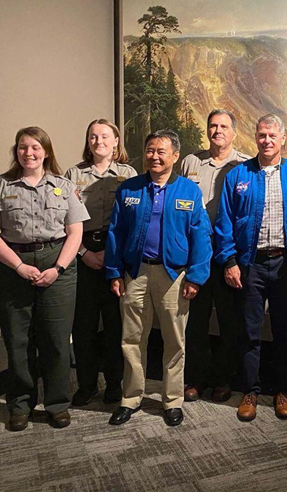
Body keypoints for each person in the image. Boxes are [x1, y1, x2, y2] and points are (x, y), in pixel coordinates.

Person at [105, 129, 212, 427]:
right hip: (135, 273)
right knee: (131, 339)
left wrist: (196, 277)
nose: (154, 156)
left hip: (174, 276)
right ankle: (130, 398)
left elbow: (201, 235)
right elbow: (116, 233)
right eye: (150, 150)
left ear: (175, 156)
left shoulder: (189, 192)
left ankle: (171, 400)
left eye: (161, 151)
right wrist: (114, 272)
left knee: (175, 341)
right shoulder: (129, 190)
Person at [214, 113, 287, 422]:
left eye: (272, 135)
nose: (267, 140)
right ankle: (251, 391)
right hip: (250, 265)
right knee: (250, 331)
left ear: (282, 139)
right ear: (255, 138)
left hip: (285, 263)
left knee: (284, 329)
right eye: (261, 135)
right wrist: (229, 261)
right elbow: (224, 222)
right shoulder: (238, 176)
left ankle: (282, 390)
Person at [0, 127, 89, 431]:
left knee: (55, 339)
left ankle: (57, 403)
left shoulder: (64, 187)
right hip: (14, 266)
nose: (29, 153)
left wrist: (59, 268)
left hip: (57, 264)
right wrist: (18, 266)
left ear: (46, 151)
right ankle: (21, 404)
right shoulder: (2, 185)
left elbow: (75, 232)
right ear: (17, 151)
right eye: (23, 147)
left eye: (35, 147)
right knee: (17, 339)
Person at [66, 119, 137, 407]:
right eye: (93, 137)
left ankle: (113, 383)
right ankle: (85, 384)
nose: (99, 142)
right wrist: (84, 253)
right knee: (82, 326)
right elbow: (65, 217)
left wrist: (112, 254)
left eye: (105, 136)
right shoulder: (73, 173)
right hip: (81, 251)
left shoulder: (127, 174)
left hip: (115, 253)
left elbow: (133, 220)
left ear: (116, 141)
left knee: (114, 324)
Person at [180, 109, 250, 403]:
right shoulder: (191, 162)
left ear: (234, 132)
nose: (217, 130)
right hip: (196, 253)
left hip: (228, 254)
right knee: (194, 320)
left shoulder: (246, 165)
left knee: (229, 320)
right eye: (212, 126)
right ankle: (196, 378)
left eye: (223, 126)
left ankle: (223, 379)